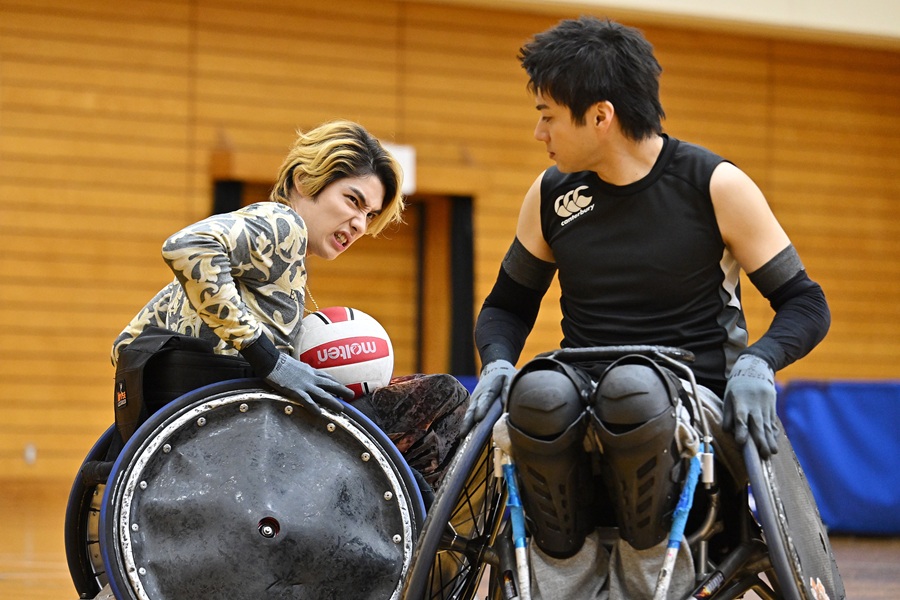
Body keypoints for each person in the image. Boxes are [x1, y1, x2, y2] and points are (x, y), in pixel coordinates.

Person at [463, 17, 830, 599]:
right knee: (538, 393)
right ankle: (564, 572)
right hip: (579, 391)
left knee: (631, 388)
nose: (539, 132)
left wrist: (759, 362)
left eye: (548, 115)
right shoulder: (552, 194)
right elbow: (505, 307)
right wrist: (499, 361)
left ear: (600, 116)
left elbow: (805, 302)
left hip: (693, 400)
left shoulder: (715, 185)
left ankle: (652, 571)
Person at [111, 120, 405, 416]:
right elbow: (186, 245)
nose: (360, 225)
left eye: (370, 215)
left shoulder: (238, 267)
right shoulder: (285, 225)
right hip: (231, 425)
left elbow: (126, 345)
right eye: (353, 201)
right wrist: (268, 360)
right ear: (304, 180)